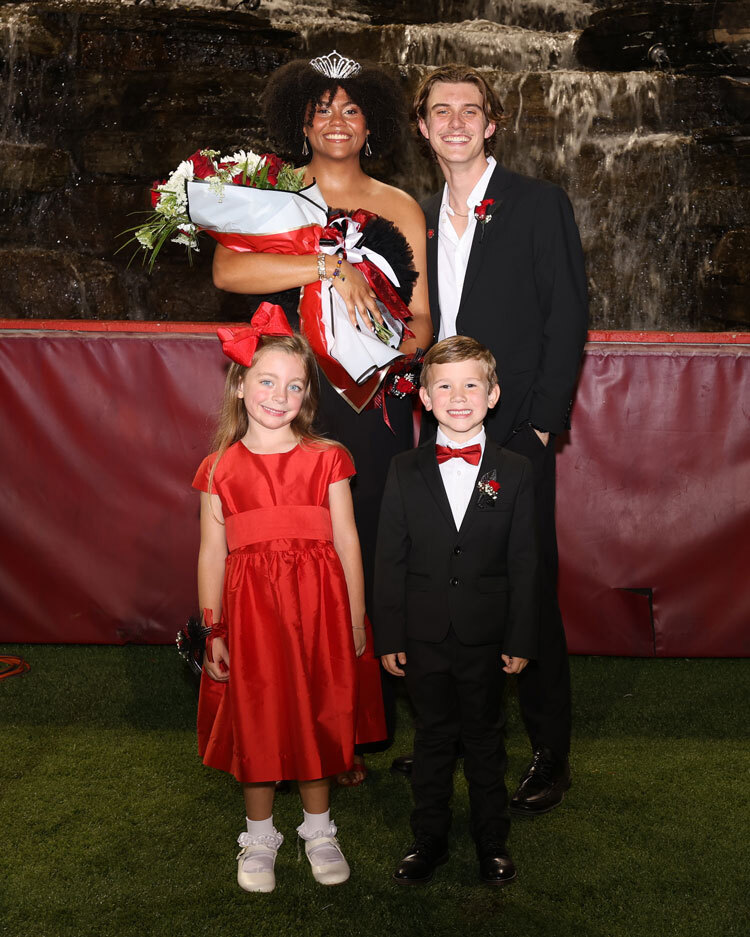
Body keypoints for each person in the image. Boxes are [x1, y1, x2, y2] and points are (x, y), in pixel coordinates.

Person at [212, 51, 432, 785]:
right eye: (322, 109)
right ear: (300, 122)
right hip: (289, 404)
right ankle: (292, 723)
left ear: (373, 123)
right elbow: (228, 273)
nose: (337, 121)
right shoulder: (272, 197)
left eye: (351, 109)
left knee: (358, 555)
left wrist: (397, 346)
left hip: (373, 402)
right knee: (293, 562)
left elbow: (424, 319)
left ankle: (356, 728)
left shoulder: (401, 205)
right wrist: (326, 266)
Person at [401, 64, 589, 816]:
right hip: (432, 429)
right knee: (438, 585)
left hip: (514, 432)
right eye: (439, 111)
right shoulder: (411, 215)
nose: (454, 122)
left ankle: (549, 751)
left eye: (468, 110)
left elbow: (566, 318)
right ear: (421, 127)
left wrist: (539, 425)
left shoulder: (539, 205)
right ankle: (443, 734)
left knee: (527, 588)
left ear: (491, 123)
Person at [193, 305, 366, 893]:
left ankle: (318, 828)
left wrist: (357, 615)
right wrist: (213, 628)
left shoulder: (328, 458)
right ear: (241, 386)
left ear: (307, 396)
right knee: (259, 714)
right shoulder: (217, 470)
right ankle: (259, 835)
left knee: (318, 708)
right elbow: (211, 555)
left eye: (295, 385)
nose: (279, 394)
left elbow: (347, 539)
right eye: (267, 381)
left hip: (320, 609)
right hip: (251, 617)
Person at [373, 336, 539, 885]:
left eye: (472, 384)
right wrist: (391, 632)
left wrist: (519, 638)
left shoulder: (514, 470)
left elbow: (524, 561)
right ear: (423, 396)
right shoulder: (403, 468)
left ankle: (492, 841)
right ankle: (429, 840)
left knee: (488, 738)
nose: (458, 395)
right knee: (432, 738)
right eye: (443, 385)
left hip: (487, 634)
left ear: (493, 394)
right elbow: (389, 558)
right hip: (422, 633)